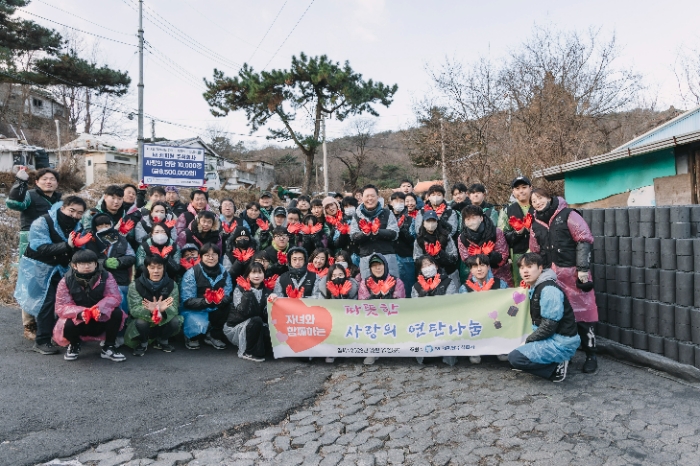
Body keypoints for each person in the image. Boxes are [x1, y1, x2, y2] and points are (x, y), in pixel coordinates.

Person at [529, 188, 599, 373]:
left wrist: (583, 269)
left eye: (540, 198)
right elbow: (534, 252)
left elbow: (583, 239)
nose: (537, 202)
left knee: (584, 315)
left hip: (573, 273)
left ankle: (591, 354)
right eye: (533, 200)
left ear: (549, 197)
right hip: (550, 277)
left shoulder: (569, 215)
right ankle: (562, 354)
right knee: (554, 315)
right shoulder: (535, 224)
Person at [15, 196, 87, 355]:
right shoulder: (42, 222)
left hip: (60, 267)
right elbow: (41, 247)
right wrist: (68, 245)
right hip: (39, 268)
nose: (74, 215)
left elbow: (76, 250)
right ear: (63, 208)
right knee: (46, 303)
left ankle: (59, 335)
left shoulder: (78, 226)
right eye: (72, 210)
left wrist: (79, 248)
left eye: (79, 213)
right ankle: (42, 340)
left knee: (62, 301)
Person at [6, 166, 62, 340]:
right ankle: (29, 324)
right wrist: (20, 182)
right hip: (31, 245)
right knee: (31, 283)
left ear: (57, 183)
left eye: (52, 179)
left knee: (53, 283)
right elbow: (14, 203)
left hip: (54, 245)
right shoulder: (29, 195)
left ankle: (51, 324)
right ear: (37, 182)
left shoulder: (61, 200)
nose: (48, 181)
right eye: (44, 179)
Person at [508, 253, 580, 383]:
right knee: (516, 349)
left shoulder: (548, 290)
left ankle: (555, 366)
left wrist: (529, 340)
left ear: (540, 268)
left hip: (560, 342)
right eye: (522, 268)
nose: (525, 271)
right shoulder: (537, 286)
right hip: (551, 337)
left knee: (516, 358)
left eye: (529, 267)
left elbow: (549, 325)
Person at [52, 249, 126, 362]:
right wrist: (81, 312)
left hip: (100, 316)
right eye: (82, 263)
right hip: (79, 319)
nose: (86, 266)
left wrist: (98, 309)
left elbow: (114, 297)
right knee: (65, 322)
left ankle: (109, 347)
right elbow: (61, 306)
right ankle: (74, 345)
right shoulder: (65, 281)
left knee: (116, 313)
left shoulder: (106, 276)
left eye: (90, 263)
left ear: (96, 264)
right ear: (74, 265)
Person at [125, 255, 182, 357]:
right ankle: (143, 343)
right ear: (146, 268)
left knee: (175, 321)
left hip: (164, 320)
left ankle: (163, 341)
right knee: (141, 322)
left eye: (159, 267)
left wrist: (162, 310)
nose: (156, 271)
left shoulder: (172, 285)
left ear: (164, 269)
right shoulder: (135, 285)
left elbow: (174, 308)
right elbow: (133, 309)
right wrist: (152, 310)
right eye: (152, 267)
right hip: (145, 321)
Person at [459, 253, 510, 365]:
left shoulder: (500, 284)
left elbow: (507, 304)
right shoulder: (465, 288)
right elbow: (463, 310)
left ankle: (501, 347)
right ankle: (475, 350)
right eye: (475, 266)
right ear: (471, 270)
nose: (479, 269)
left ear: (488, 267)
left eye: (482, 265)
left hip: (495, 319)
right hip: (476, 321)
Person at [180, 243, 232, 350]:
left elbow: (228, 293)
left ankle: (213, 335)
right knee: (197, 328)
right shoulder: (192, 273)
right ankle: (191, 336)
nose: (211, 258)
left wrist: (219, 301)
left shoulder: (224, 273)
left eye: (214, 254)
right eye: (207, 255)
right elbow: (187, 300)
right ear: (201, 257)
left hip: (216, 307)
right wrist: (206, 301)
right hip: (196, 310)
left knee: (228, 308)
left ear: (219, 256)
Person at [357, 253, 405, 365]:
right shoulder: (365, 282)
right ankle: (372, 351)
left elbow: (400, 305)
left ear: (385, 265)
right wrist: (376, 295)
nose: (377, 268)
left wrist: (386, 294)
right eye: (374, 265)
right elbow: (362, 305)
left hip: (391, 317)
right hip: (372, 317)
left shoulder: (396, 281)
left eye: (380, 264)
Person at [85, 213, 136, 313]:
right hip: (99, 281)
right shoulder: (91, 241)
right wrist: (104, 262)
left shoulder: (120, 239)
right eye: (100, 225)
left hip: (120, 279)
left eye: (106, 225)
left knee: (122, 307)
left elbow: (131, 256)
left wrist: (119, 262)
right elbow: (87, 259)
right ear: (95, 227)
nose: (104, 228)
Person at [412, 254, 457, 366]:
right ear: (420, 270)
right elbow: (416, 307)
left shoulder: (448, 281)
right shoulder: (416, 286)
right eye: (424, 266)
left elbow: (451, 302)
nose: (427, 267)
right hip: (425, 321)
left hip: (444, 319)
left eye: (430, 264)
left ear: (436, 266)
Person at [223, 262, 272, 362]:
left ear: (264, 274)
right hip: (238, 324)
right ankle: (248, 351)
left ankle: (258, 349)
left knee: (269, 346)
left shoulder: (267, 291)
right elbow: (242, 311)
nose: (257, 276)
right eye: (253, 273)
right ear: (248, 274)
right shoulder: (240, 289)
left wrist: (271, 304)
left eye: (260, 272)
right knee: (256, 321)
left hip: (257, 322)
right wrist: (247, 293)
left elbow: (266, 314)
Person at [350, 184, 399, 280]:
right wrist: (364, 233)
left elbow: (394, 233)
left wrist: (378, 232)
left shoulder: (387, 213)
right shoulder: (357, 215)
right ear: (362, 198)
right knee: (369, 289)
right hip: (366, 257)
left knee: (391, 287)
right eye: (367, 196)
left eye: (372, 196)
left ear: (378, 197)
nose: (370, 199)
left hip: (387, 256)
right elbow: (353, 236)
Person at [458, 205, 511, 285]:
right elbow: (465, 259)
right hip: (477, 275)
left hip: (498, 273)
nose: (471, 221)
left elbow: (504, 256)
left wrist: (490, 254)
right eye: (468, 219)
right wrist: (477, 256)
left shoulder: (495, 232)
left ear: (481, 218)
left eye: (474, 218)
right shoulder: (462, 238)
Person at [498, 176, 534, 285]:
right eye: (517, 189)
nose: (521, 191)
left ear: (530, 188)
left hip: (538, 253)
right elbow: (502, 236)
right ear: (513, 191)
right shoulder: (507, 210)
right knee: (521, 285)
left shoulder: (538, 205)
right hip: (518, 254)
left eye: (524, 187)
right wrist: (518, 232)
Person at [413, 210, 459, 283]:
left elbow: (454, 257)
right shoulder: (419, 240)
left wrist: (440, 254)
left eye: (433, 221)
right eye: (428, 221)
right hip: (428, 276)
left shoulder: (446, 236)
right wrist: (428, 258)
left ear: (437, 222)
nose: (431, 224)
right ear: (423, 223)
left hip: (449, 273)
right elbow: (417, 259)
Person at [389, 192, 416, 291]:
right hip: (390, 256)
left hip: (406, 257)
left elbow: (412, 240)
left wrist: (402, 229)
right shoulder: (386, 218)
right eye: (396, 200)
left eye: (401, 201)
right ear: (391, 202)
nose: (398, 203)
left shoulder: (410, 219)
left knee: (407, 287)